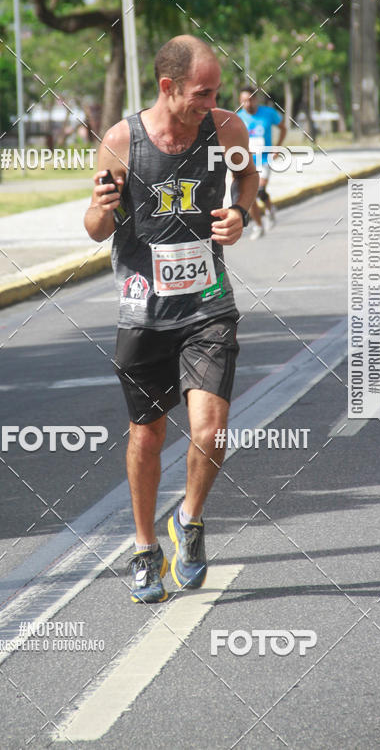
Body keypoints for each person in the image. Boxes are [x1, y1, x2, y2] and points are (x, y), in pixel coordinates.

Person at [84, 35, 258, 603]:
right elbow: (94, 227)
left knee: (210, 428)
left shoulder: (226, 130)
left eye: (216, 92)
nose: (213, 103)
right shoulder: (121, 141)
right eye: (202, 94)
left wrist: (240, 212)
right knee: (147, 434)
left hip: (208, 303)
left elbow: (248, 179)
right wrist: (101, 212)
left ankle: (189, 518)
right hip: (144, 310)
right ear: (169, 87)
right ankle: (144, 548)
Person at [237, 87, 287, 238]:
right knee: (249, 196)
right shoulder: (237, 117)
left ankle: (270, 210)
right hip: (247, 161)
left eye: (250, 100)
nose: (247, 104)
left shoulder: (268, 113)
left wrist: (277, 148)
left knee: (259, 190)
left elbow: (283, 128)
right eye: (244, 101)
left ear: (256, 99)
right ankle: (259, 226)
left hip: (264, 158)